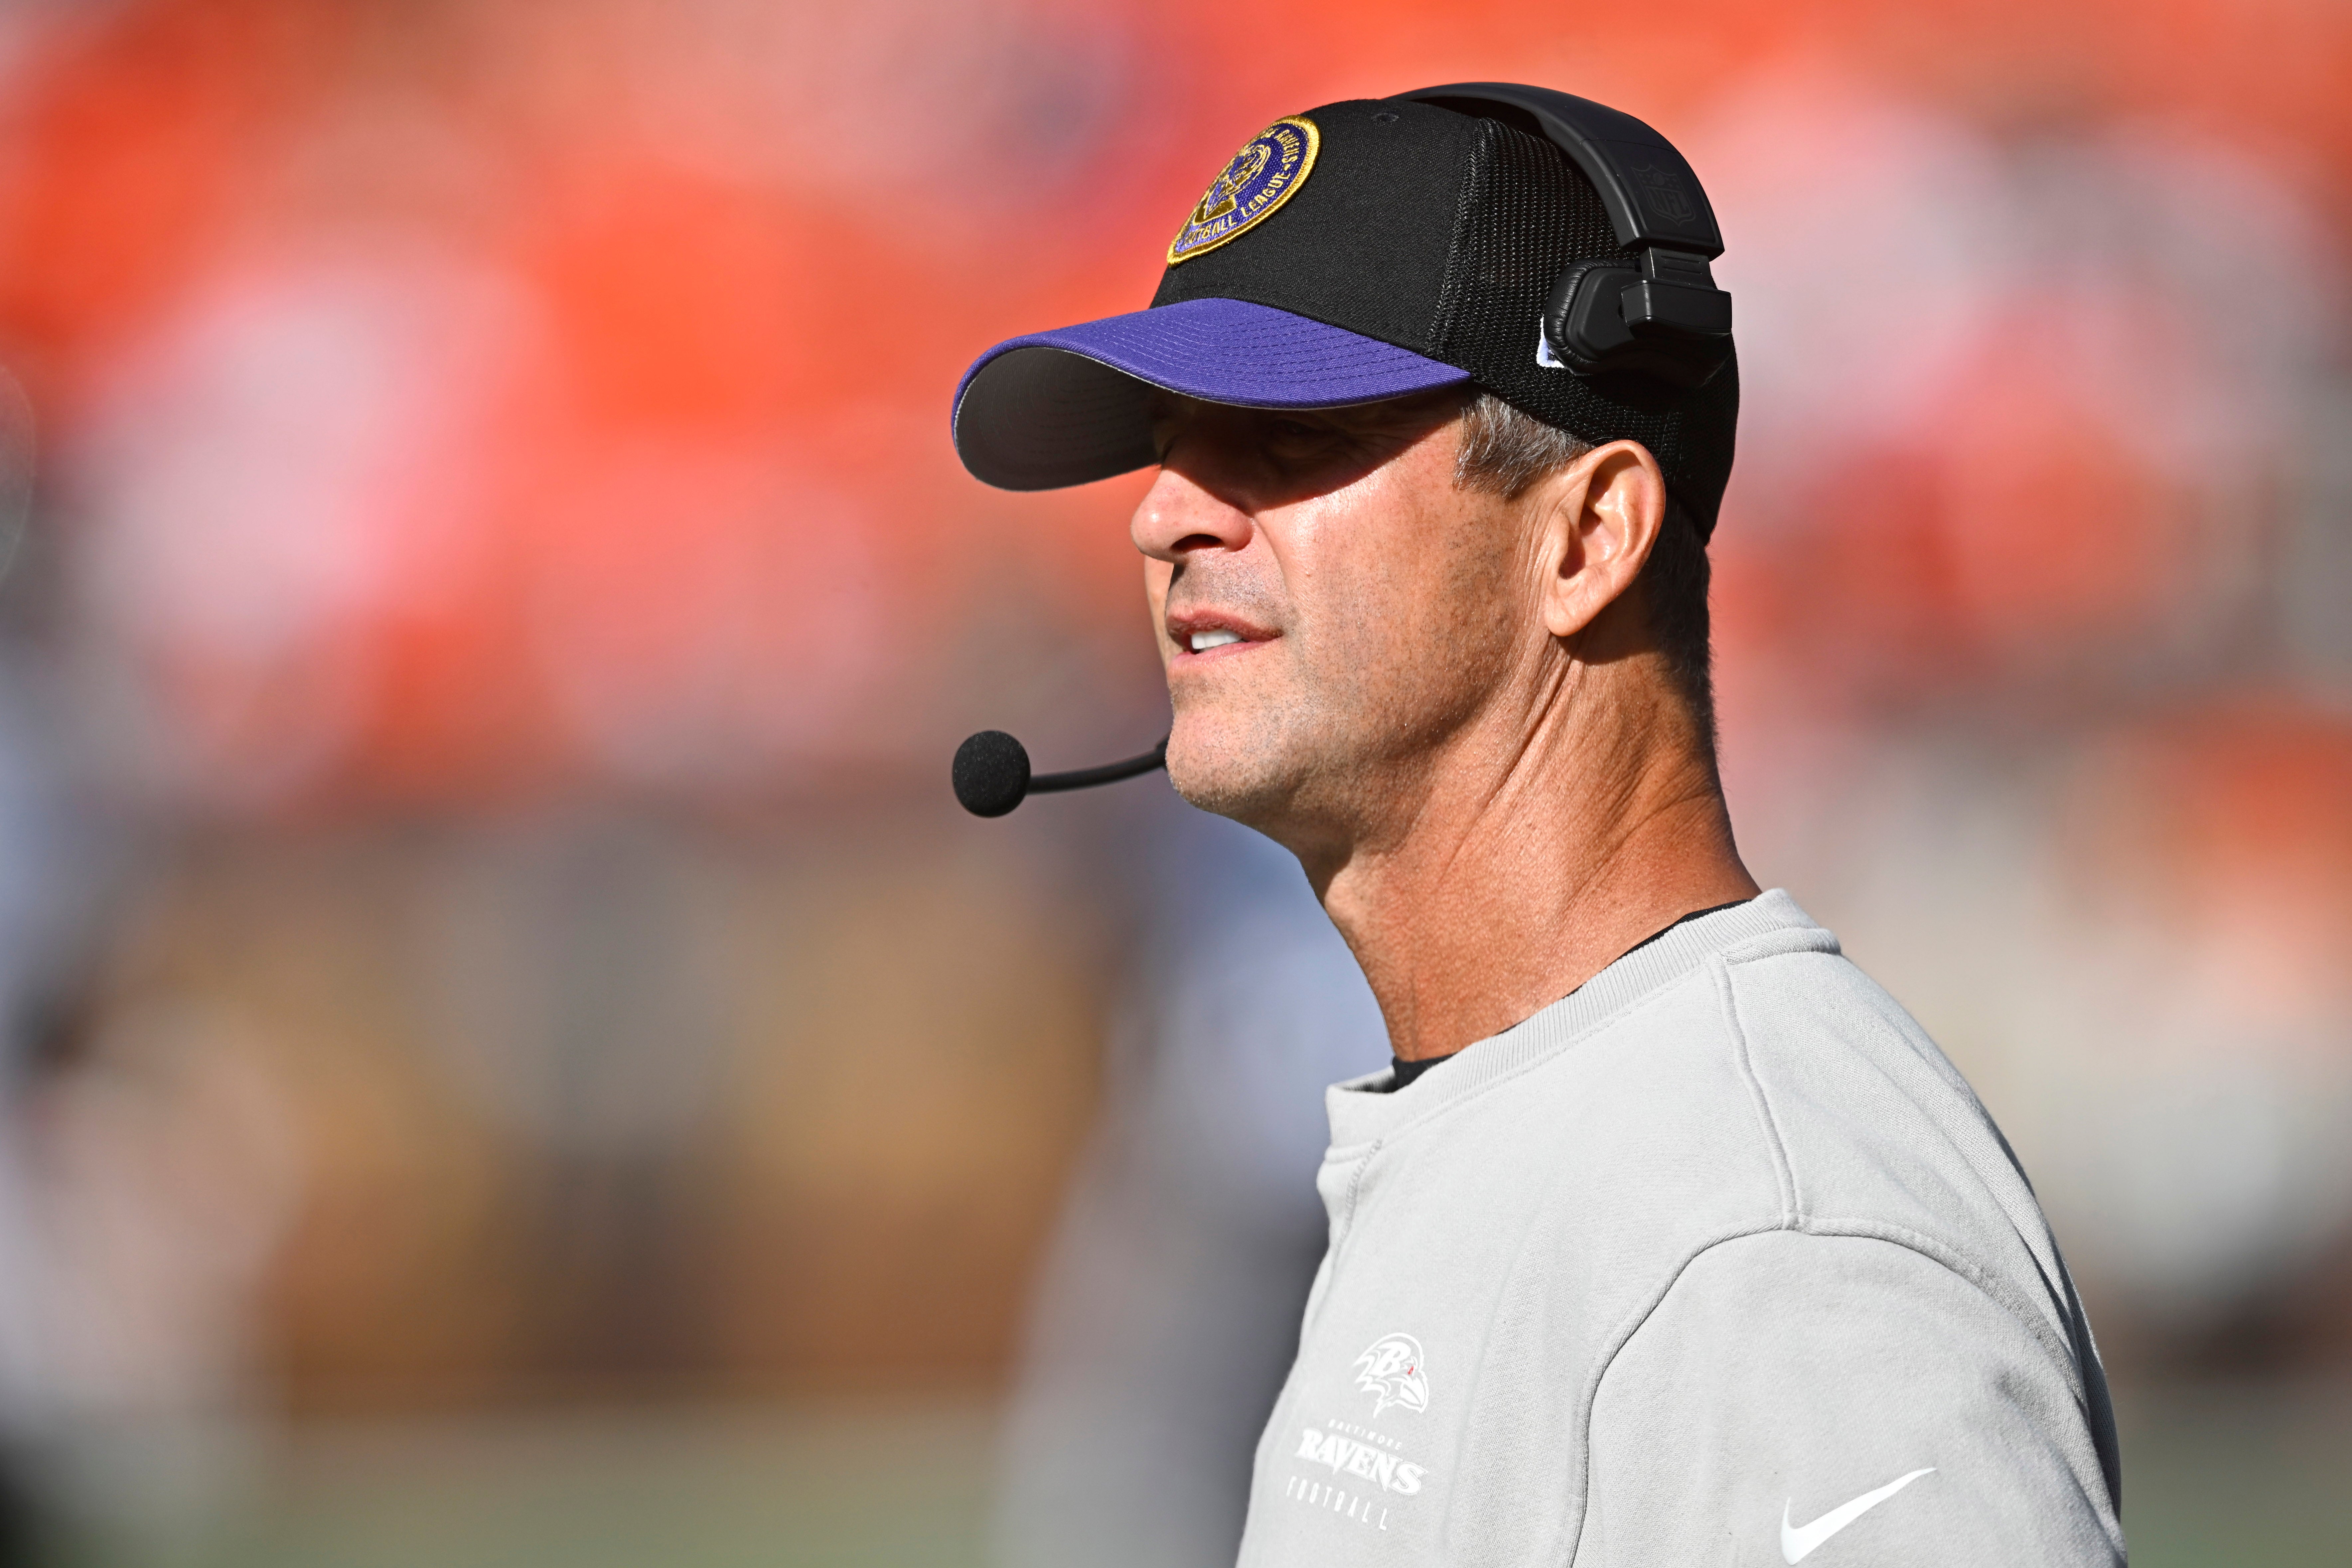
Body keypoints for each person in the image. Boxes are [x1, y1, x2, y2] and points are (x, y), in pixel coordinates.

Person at [951, 88, 2126, 1567]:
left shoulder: (1771, 1234)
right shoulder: (1529, 1125)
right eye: (1176, 438)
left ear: (1587, 538)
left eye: (1283, 435)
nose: (1164, 511)